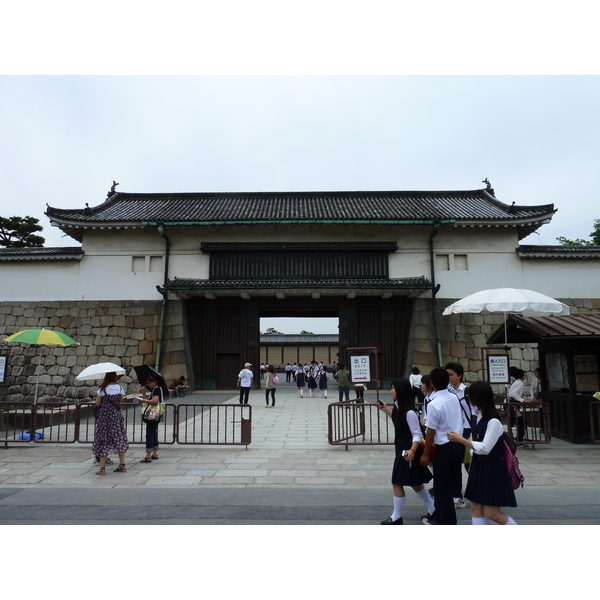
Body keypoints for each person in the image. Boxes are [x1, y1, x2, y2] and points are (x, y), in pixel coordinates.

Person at [447, 381, 518, 525]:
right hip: (479, 467)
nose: (469, 399)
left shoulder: (494, 422)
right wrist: (472, 462)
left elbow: (485, 448)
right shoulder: (476, 417)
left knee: (493, 514)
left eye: (471, 396)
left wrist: (461, 440)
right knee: (475, 506)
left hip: (493, 468)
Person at [378, 378, 436, 524]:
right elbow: (399, 421)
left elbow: (417, 434)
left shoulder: (410, 412)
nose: (391, 391)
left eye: (393, 388)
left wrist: (412, 450)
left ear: (401, 391)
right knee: (415, 482)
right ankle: (433, 508)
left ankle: (396, 516)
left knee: (397, 482)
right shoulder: (400, 408)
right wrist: (386, 409)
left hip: (407, 451)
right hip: (403, 450)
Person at [420, 367, 464, 525]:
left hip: (443, 448)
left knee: (441, 487)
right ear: (448, 381)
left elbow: (430, 432)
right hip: (457, 444)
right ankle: (448, 519)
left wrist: (425, 454)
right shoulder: (453, 397)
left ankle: (444, 521)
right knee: (449, 485)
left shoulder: (434, 404)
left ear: (431, 383)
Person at [92, 372, 129, 475]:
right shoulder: (120, 388)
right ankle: (122, 465)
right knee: (119, 438)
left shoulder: (102, 389)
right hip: (116, 416)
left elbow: (98, 403)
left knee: (103, 440)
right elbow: (120, 401)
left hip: (104, 417)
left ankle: (102, 468)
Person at [446, 362, 471, 510]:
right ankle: (457, 496)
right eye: (447, 375)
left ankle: (481, 492)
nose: (449, 378)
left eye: (452, 375)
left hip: (467, 431)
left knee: (470, 465)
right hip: (455, 431)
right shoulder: (447, 391)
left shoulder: (466, 392)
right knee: (455, 465)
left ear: (460, 375)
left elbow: (473, 412)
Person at [139, 375, 163, 462]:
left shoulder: (156, 389)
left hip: (152, 414)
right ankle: (155, 453)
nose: (148, 385)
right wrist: (143, 393)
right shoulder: (156, 389)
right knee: (153, 433)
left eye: (149, 383)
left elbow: (154, 401)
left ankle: (148, 455)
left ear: (154, 382)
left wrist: (143, 400)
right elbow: (149, 398)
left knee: (149, 434)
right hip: (155, 414)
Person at [508, 368, 530, 446]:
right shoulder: (519, 383)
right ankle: (519, 440)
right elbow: (513, 394)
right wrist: (522, 400)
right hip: (512, 405)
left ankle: (514, 439)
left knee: (513, 422)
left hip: (510, 404)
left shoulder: (515, 382)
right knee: (522, 423)